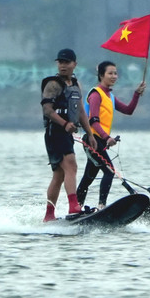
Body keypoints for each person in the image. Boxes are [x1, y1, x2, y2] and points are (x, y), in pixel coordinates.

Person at [76, 60, 147, 210]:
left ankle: (76, 208)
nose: (114, 76)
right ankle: (102, 207)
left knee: (88, 178)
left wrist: (136, 94)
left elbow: (128, 110)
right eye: (110, 73)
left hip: (100, 142)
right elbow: (93, 121)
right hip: (92, 140)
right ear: (101, 75)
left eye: (115, 73)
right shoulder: (96, 94)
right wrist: (107, 137)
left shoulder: (110, 97)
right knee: (109, 172)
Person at [40, 48, 95, 222]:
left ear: (74, 64)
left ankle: (49, 215)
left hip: (67, 133)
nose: (63, 65)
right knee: (71, 165)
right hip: (54, 132)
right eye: (60, 62)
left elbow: (80, 112)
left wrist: (90, 134)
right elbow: (47, 110)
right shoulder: (53, 84)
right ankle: (74, 205)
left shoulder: (76, 85)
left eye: (66, 62)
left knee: (60, 175)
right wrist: (64, 124)